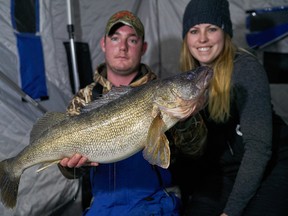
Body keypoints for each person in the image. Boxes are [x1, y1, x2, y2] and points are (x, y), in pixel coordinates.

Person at [58, 10, 207, 216]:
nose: (123, 47)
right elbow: (69, 171)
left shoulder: (164, 94)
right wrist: (70, 166)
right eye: (115, 38)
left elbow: (194, 150)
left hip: (155, 203)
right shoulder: (85, 98)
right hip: (103, 207)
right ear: (104, 44)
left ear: (143, 47)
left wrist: (187, 119)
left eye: (132, 40)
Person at [175, 0, 288, 215]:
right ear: (186, 38)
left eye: (212, 29)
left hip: (273, 165)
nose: (202, 39)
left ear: (225, 33)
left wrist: (230, 212)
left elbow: (258, 150)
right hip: (224, 173)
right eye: (194, 31)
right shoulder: (186, 81)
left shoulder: (246, 70)